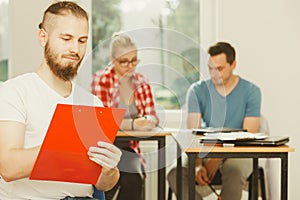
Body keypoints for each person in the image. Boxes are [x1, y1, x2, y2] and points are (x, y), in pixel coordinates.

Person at [0, 1, 121, 199]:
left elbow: (103, 184)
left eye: (82, 41)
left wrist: (109, 170)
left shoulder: (92, 104)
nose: (75, 49)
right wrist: (63, 146)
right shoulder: (15, 92)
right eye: (66, 38)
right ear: (43, 37)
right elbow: (8, 167)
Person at [167, 42, 261, 200]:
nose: (214, 74)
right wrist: (198, 165)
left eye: (220, 68)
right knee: (174, 173)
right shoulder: (197, 91)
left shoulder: (251, 92)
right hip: (205, 150)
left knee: (234, 170)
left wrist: (217, 158)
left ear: (233, 65)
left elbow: (248, 136)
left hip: (238, 153)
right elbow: (193, 135)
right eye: (210, 68)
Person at [91, 33, 159, 200]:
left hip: (129, 148)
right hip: (106, 146)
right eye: (124, 61)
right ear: (112, 59)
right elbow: (103, 119)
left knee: (134, 179)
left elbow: (153, 116)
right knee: (109, 183)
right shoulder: (101, 80)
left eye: (134, 60)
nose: (130, 66)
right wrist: (135, 124)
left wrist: (149, 121)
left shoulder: (141, 81)